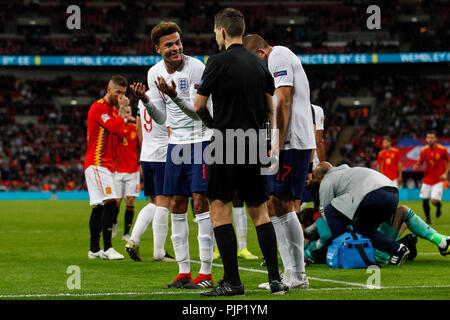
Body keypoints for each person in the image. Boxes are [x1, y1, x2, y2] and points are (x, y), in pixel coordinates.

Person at [194, 8, 287, 296]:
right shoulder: (260, 64)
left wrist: (214, 127)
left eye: (214, 32)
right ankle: (275, 280)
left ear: (222, 31)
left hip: (226, 139)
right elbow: (270, 106)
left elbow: (198, 105)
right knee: (259, 211)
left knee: (219, 209)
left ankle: (233, 282)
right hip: (256, 139)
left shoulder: (216, 61)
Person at [130, 21, 214, 289]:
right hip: (175, 145)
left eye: (178, 42)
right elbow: (162, 116)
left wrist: (175, 96)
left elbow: (201, 112)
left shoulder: (196, 67)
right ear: (158, 49)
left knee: (200, 204)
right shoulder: (154, 72)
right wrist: (146, 101)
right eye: (169, 44)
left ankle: (206, 272)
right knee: (176, 205)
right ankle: (183, 272)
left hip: (201, 140)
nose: (176, 47)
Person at [243, 33, 315, 289]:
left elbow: (283, 100)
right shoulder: (274, 59)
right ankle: (291, 272)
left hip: (291, 142)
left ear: (261, 53)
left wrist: (277, 142)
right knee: (274, 205)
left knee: (283, 204)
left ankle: (298, 275)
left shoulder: (279, 55)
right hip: (284, 141)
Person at [312, 162, 410, 265]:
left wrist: (321, 230)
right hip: (393, 194)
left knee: (330, 211)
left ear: (319, 177)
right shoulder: (347, 171)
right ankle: (397, 249)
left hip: (372, 194)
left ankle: (345, 250)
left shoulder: (327, 179)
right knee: (362, 228)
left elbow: (325, 210)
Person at [124, 91, 174, 262]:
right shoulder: (165, 96)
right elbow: (170, 128)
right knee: (164, 202)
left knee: (154, 202)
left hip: (147, 155)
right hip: (162, 154)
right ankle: (159, 252)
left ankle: (134, 240)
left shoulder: (144, 97)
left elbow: (138, 127)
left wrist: (146, 147)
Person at [85, 75, 129, 260]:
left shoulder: (110, 110)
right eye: (118, 92)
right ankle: (108, 247)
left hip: (106, 165)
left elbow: (120, 136)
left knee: (99, 207)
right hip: (97, 163)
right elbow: (115, 129)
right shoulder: (98, 107)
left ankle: (94, 250)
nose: (121, 96)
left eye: (124, 93)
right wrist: (121, 110)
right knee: (111, 202)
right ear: (109, 89)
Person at [112, 101, 139, 242]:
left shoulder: (135, 129)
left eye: (129, 112)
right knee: (116, 201)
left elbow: (142, 145)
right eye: (124, 112)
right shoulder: (117, 129)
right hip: (118, 171)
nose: (127, 115)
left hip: (133, 171)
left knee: (130, 201)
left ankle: (126, 233)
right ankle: (114, 224)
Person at [413, 130, 449, 224]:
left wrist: (445, 173)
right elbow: (420, 162)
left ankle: (438, 206)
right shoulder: (424, 150)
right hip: (427, 178)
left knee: (433, 201)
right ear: (426, 139)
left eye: (432, 137)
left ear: (436, 139)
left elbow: (449, 161)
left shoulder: (442, 149)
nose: (430, 139)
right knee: (424, 199)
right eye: (428, 137)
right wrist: (417, 165)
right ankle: (428, 219)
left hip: (438, 179)